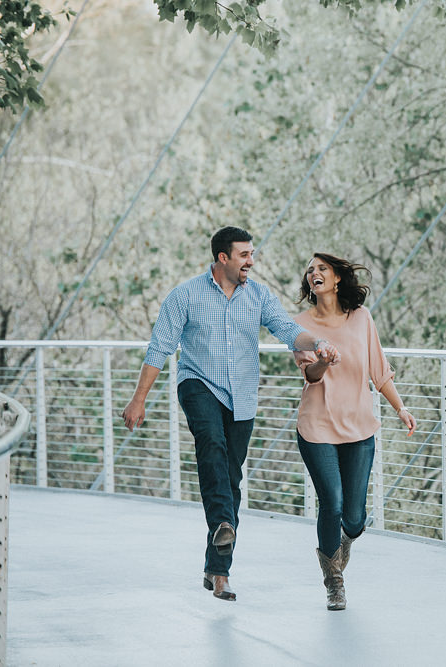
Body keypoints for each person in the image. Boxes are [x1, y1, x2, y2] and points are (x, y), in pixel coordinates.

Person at [121, 226, 339, 603]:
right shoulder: (185, 295)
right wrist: (138, 399)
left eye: (251, 254)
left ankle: (218, 570)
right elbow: (160, 349)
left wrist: (316, 341)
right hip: (198, 384)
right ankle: (222, 525)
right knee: (211, 446)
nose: (250, 262)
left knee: (230, 478)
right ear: (222, 258)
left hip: (241, 395)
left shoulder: (257, 295)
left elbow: (288, 330)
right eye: (244, 255)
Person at [292, 252, 416, 611]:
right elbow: (310, 376)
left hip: (359, 428)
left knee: (355, 519)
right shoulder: (300, 325)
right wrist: (321, 362)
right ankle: (334, 581)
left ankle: (345, 539)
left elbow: (379, 371)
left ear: (337, 279)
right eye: (311, 269)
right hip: (317, 427)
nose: (315, 273)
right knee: (331, 502)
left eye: (322, 269)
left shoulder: (361, 319)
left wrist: (401, 408)